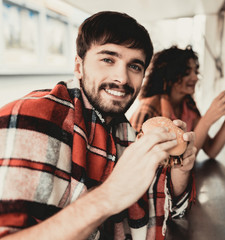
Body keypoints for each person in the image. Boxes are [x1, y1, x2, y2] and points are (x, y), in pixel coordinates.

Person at [0, 11, 197, 240]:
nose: (122, 78)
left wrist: (180, 171)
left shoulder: (125, 134)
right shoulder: (29, 118)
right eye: (108, 59)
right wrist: (108, 196)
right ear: (79, 66)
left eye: (134, 66)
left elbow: (171, 211)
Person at [130, 46, 225, 159]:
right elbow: (133, 155)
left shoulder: (188, 106)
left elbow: (211, 150)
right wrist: (207, 119)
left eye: (195, 72)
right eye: (187, 72)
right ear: (169, 75)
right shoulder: (148, 107)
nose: (195, 77)